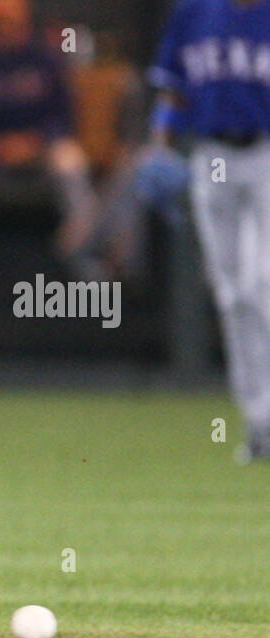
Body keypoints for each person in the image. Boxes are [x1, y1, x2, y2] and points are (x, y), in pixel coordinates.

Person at [148, 0, 270, 463]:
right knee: (233, 296)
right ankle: (260, 425)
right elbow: (172, 89)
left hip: (265, 155)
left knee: (264, 283)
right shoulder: (194, 12)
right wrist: (159, 148)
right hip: (212, 156)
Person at [0, 0, 98, 275]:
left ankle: (77, 252)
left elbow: (65, 116)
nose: (5, 25)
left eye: (11, 18)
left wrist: (37, 140)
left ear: (25, 19)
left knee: (71, 163)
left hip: (42, 146)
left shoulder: (46, 56)